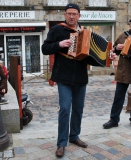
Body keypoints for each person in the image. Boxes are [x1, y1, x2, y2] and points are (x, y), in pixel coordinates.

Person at [41, 3, 88, 158]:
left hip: (81, 77)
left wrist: (108, 58)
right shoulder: (57, 30)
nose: (71, 16)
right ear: (65, 15)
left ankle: (74, 136)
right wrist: (59, 44)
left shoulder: (85, 32)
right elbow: (45, 48)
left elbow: (92, 58)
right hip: (63, 77)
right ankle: (61, 143)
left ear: (79, 16)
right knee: (65, 109)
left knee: (78, 109)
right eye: (69, 13)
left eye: (74, 13)